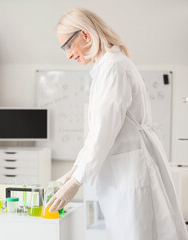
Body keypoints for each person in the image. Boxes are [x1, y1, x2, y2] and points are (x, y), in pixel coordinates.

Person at [46, 8, 188, 240]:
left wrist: (76, 182)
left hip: (133, 171)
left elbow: (104, 131)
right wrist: (71, 173)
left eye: (68, 46)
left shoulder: (114, 67)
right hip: (123, 174)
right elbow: (96, 135)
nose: (68, 55)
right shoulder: (105, 67)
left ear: (86, 35)